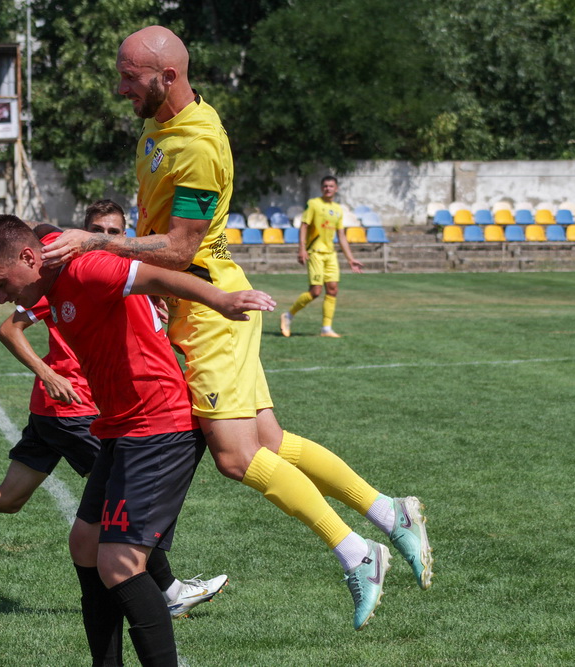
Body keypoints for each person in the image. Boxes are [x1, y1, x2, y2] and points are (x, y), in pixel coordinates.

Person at [40, 25, 432, 630]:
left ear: (168, 76)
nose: (121, 89)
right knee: (269, 442)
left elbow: (179, 247)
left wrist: (98, 242)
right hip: (196, 300)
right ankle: (389, 513)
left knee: (235, 455)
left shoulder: (197, 144)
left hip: (210, 310)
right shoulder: (159, 124)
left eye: (130, 78)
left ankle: (357, 553)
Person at [0, 201, 227, 622]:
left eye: (113, 232)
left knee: (9, 497)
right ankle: (169, 591)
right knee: (119, 506)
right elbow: (12, 311)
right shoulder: (63, 273)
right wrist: (48, 372)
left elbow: (25, 238)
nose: (104, 238)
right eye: (95, 230)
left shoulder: (106, 269)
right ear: (78, 234)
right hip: (75, 408)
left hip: (55, 410)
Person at [0, 214, 274, 666]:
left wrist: (221, 299)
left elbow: (157, 275)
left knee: (120, 564)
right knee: (85, 545)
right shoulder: (49, 263)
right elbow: (27, 231)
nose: (0, 297)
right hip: (120, 428)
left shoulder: (84, 268)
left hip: (160, 426)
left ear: (29, 259)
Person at [280, 175, 363, 338]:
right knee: (315, 291)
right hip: (315, 252)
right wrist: (301, 249)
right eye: (325, 186)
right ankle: (288, 315)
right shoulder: (313, 204)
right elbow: (304, 226)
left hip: (330, 254)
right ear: (321, 188)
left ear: (336, 188)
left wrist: (350, 259)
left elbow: (341, 235)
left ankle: (326, 328)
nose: (328, 189)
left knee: (333, 289)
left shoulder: (338, 209)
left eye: (331, 186)